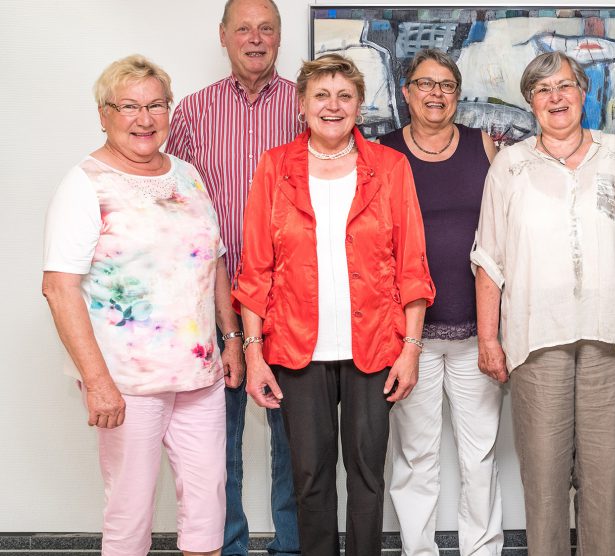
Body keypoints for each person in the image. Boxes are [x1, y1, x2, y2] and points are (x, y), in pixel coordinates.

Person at [233, 53, 435, 556]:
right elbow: (255, 269)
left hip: (373, 348)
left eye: (344, 95)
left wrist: (409, 349)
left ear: (360, 106)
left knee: (368, 478)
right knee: (310, 479)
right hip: (297, 350)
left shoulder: (390, 168)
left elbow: (412, 265)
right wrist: (255, 353)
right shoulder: (275, 167)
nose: (333, 105)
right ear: (302, 104)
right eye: (321, 95)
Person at [42, 55, 236, 556]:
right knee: (129, 512)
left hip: (199, 376)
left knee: (208, 506)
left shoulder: (189, 176)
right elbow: (59, 288)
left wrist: (231, 339)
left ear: (170, 110)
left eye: (155, 105)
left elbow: (213, 263)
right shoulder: (86, 184)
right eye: (129, 106)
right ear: (104, 113)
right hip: (128, 385)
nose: (144, 119)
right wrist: (99, 382)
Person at [472, 51, 615, 555]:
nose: (556, 97)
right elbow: (489, 258)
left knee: (605, 473)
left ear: (584, 94)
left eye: (565, 86)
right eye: (542, 89)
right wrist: (489, 338)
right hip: (536, 339)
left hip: (609, 334)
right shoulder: (510, 165)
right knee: (544, 475)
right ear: (531, 102)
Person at [165, 1, 305, 553]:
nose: (255, 38)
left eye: (266, 28)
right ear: (222, 36)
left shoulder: (306, 106)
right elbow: (170, 198)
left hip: (292, 300)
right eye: (243, 28)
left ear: (279, 37)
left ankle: (292, 546)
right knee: (215, 444)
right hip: (213, 303)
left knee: (294, 444)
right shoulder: (194, 113)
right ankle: (227, 546)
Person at [378, 48, 503, 556]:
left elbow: (503, 236)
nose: (436, 93)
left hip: (478, 331)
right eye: (425, 84)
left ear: (457, 95)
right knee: (416, 456)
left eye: (446, 85)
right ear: (406, 93)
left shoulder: (485, 146)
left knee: (480, 456)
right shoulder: (382, 153)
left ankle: (483, 549)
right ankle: (418, 550)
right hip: (410, 338)